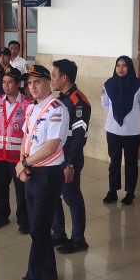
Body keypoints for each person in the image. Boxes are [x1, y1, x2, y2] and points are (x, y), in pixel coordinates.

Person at [11, 65, 69, 280]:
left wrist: (24, 163)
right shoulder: (32, 107)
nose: (32, 86)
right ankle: (48, 271)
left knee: (38, 229)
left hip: (48, 174)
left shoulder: (57, 109)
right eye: (29, 83)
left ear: (48, 83)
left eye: (37, 81)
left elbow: (52, 146)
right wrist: (22, 165)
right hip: (32, 172)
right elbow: (26, 138)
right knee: (40, 226)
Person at [50, 59, 91, 254]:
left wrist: (71, 165)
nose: (51, 79)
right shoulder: (62, 98)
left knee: (72, 197)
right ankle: (58, 233)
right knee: (54, 195)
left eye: (54, 76)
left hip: (69, 158)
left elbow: (78, 137)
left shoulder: (78, 101)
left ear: (64, 78)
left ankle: (78, 240)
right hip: (56, 157)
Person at [102, 56, 140, 205]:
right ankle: (112, 191)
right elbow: (105, 105)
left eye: (124, 65)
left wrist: (133, 118)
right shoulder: (108, 84)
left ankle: (130, 193)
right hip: (113, 130)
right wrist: (116, 117)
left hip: (132, 131)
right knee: (114, 161)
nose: (121, 68)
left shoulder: (139, 85)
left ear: (129, 67)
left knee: (131, 162)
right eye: (118, 65)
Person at [0, 67, 30, 233]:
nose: (6, 86)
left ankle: (24, 221)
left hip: (17, 156)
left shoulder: (27, 104)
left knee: (21, 190)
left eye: (10, 82)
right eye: (4, 82)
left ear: (18, 84)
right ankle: (1, 216)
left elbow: (29, 132)